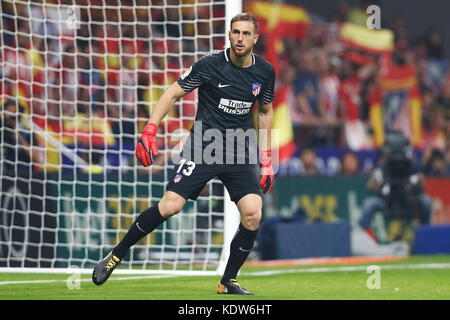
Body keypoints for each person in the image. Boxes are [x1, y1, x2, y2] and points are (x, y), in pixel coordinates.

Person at [92, 13, 275, 295]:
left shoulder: (265, 72)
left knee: (252, 214)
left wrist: (266, 158)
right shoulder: (211, 64)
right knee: (170, 206)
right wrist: (150, 130)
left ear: (255, 38)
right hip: (204, 146)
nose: (239, 38)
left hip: (239, 150)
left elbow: (264, 112)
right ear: (229, 34)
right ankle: (115, 254)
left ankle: (228, 282)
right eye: (235, 32)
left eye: (245, 34)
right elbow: (171, 94)